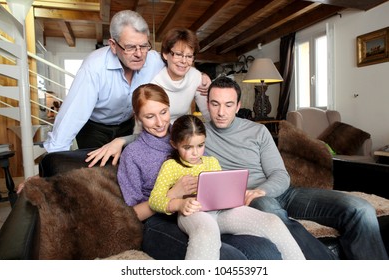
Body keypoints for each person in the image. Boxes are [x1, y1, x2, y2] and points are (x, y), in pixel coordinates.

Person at [202, 76, 388, 260]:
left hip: (282, 192)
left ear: (238, 105)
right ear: (207, 104)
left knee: (360, 208)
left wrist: (263, 190)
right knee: (273, 215)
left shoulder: (258, 131)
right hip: (249, 199)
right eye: (215, 104)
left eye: (228, 104)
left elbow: (280, 174)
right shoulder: (198, 135)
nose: (221, 112)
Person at [116, 83, 282, 260]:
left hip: (202, 213)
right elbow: (133, 215)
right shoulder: (132, 154)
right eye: (149, 116)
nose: (159, 122)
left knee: (264, 249)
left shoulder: (189, 132)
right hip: (160, 222)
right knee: (229, 257)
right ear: (138, 118)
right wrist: (174, 194)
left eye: (163, 112)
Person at [43, 10, 210, 153]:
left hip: (128, 125)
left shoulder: (153, 59)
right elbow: (73, 115)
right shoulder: (94, 68)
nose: (139, 54)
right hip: (96, 127)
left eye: (144, 46)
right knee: (96, 175)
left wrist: (201, 76)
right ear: (113, 45)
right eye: (130, 47)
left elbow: (178, 63)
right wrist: (53, 160)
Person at [148, 114, 305, 260]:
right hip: (194, 214)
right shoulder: (171, 166)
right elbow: (154, 200)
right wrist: (180, 204)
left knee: (272, 221)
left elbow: (221, 191)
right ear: (174, 144)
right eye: (188, 147)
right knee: (207, 232)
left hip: (222, 211)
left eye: (200, 145)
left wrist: (235, 196)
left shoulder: (212, 162)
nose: (195, 153)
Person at [86, 27, 210, 166]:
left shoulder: (197, 77)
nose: (183, 61)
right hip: (150, 139)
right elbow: (142, 127)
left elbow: (210, 116)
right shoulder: (152, 80)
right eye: (178, 54)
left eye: (189, 56)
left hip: (182, 140)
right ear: (165, 54)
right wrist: (122, 140)